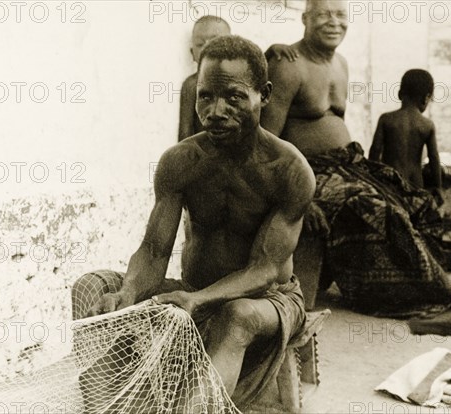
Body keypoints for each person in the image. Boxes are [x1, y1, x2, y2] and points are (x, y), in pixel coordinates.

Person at [73, 35, 316, 410]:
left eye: (233, 97)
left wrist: (199, 300)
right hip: (192, 289)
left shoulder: (289, 169)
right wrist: (129, 292)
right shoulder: (181, 161)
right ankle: (108, 408)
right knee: (92, 287)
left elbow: (265, 270)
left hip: (267, 300)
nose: (216, 110)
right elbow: (154, 251)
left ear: (264, 95)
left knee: (237, 315)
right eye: (206, 96)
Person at [260, 0, 451, 338]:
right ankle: (448, 306)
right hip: (309, 172)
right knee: (377, 211)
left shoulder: (341, 63)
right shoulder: (287, 65)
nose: (333, 22)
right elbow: (265, 142)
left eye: (341, 15)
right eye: (323, 14)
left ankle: (431, 304)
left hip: (347, 165)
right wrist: (299, 197)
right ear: (305, 19)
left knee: (418, 203)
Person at [178, 16, 299, 141]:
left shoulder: (242, 80)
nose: (208, 48)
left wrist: (269, 53)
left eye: (216, 40)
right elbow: (184, 133)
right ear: (192, 53)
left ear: (232, 44)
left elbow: (254, 70)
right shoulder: (191, 85)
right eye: (200, 44)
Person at [369, 69, 442, 197]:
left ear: (399, 94)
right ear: (426, 98)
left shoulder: (386, 119)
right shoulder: (427, 125)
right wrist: (437, 187)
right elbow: (434, 158)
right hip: (415, 185)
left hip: (390, 184)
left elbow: (375, 150)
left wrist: (371, 180)